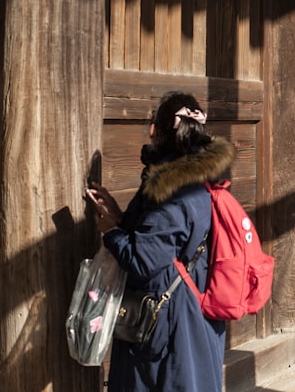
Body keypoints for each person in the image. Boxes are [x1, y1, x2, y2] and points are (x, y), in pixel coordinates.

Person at [87, 92, 235, 391]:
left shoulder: (171, 188)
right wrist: (120, 217)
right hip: (192, 309)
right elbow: (166, 239)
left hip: (167, 322)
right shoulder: (199, 177)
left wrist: (112, 232)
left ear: (160, 130)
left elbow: (144, 260)